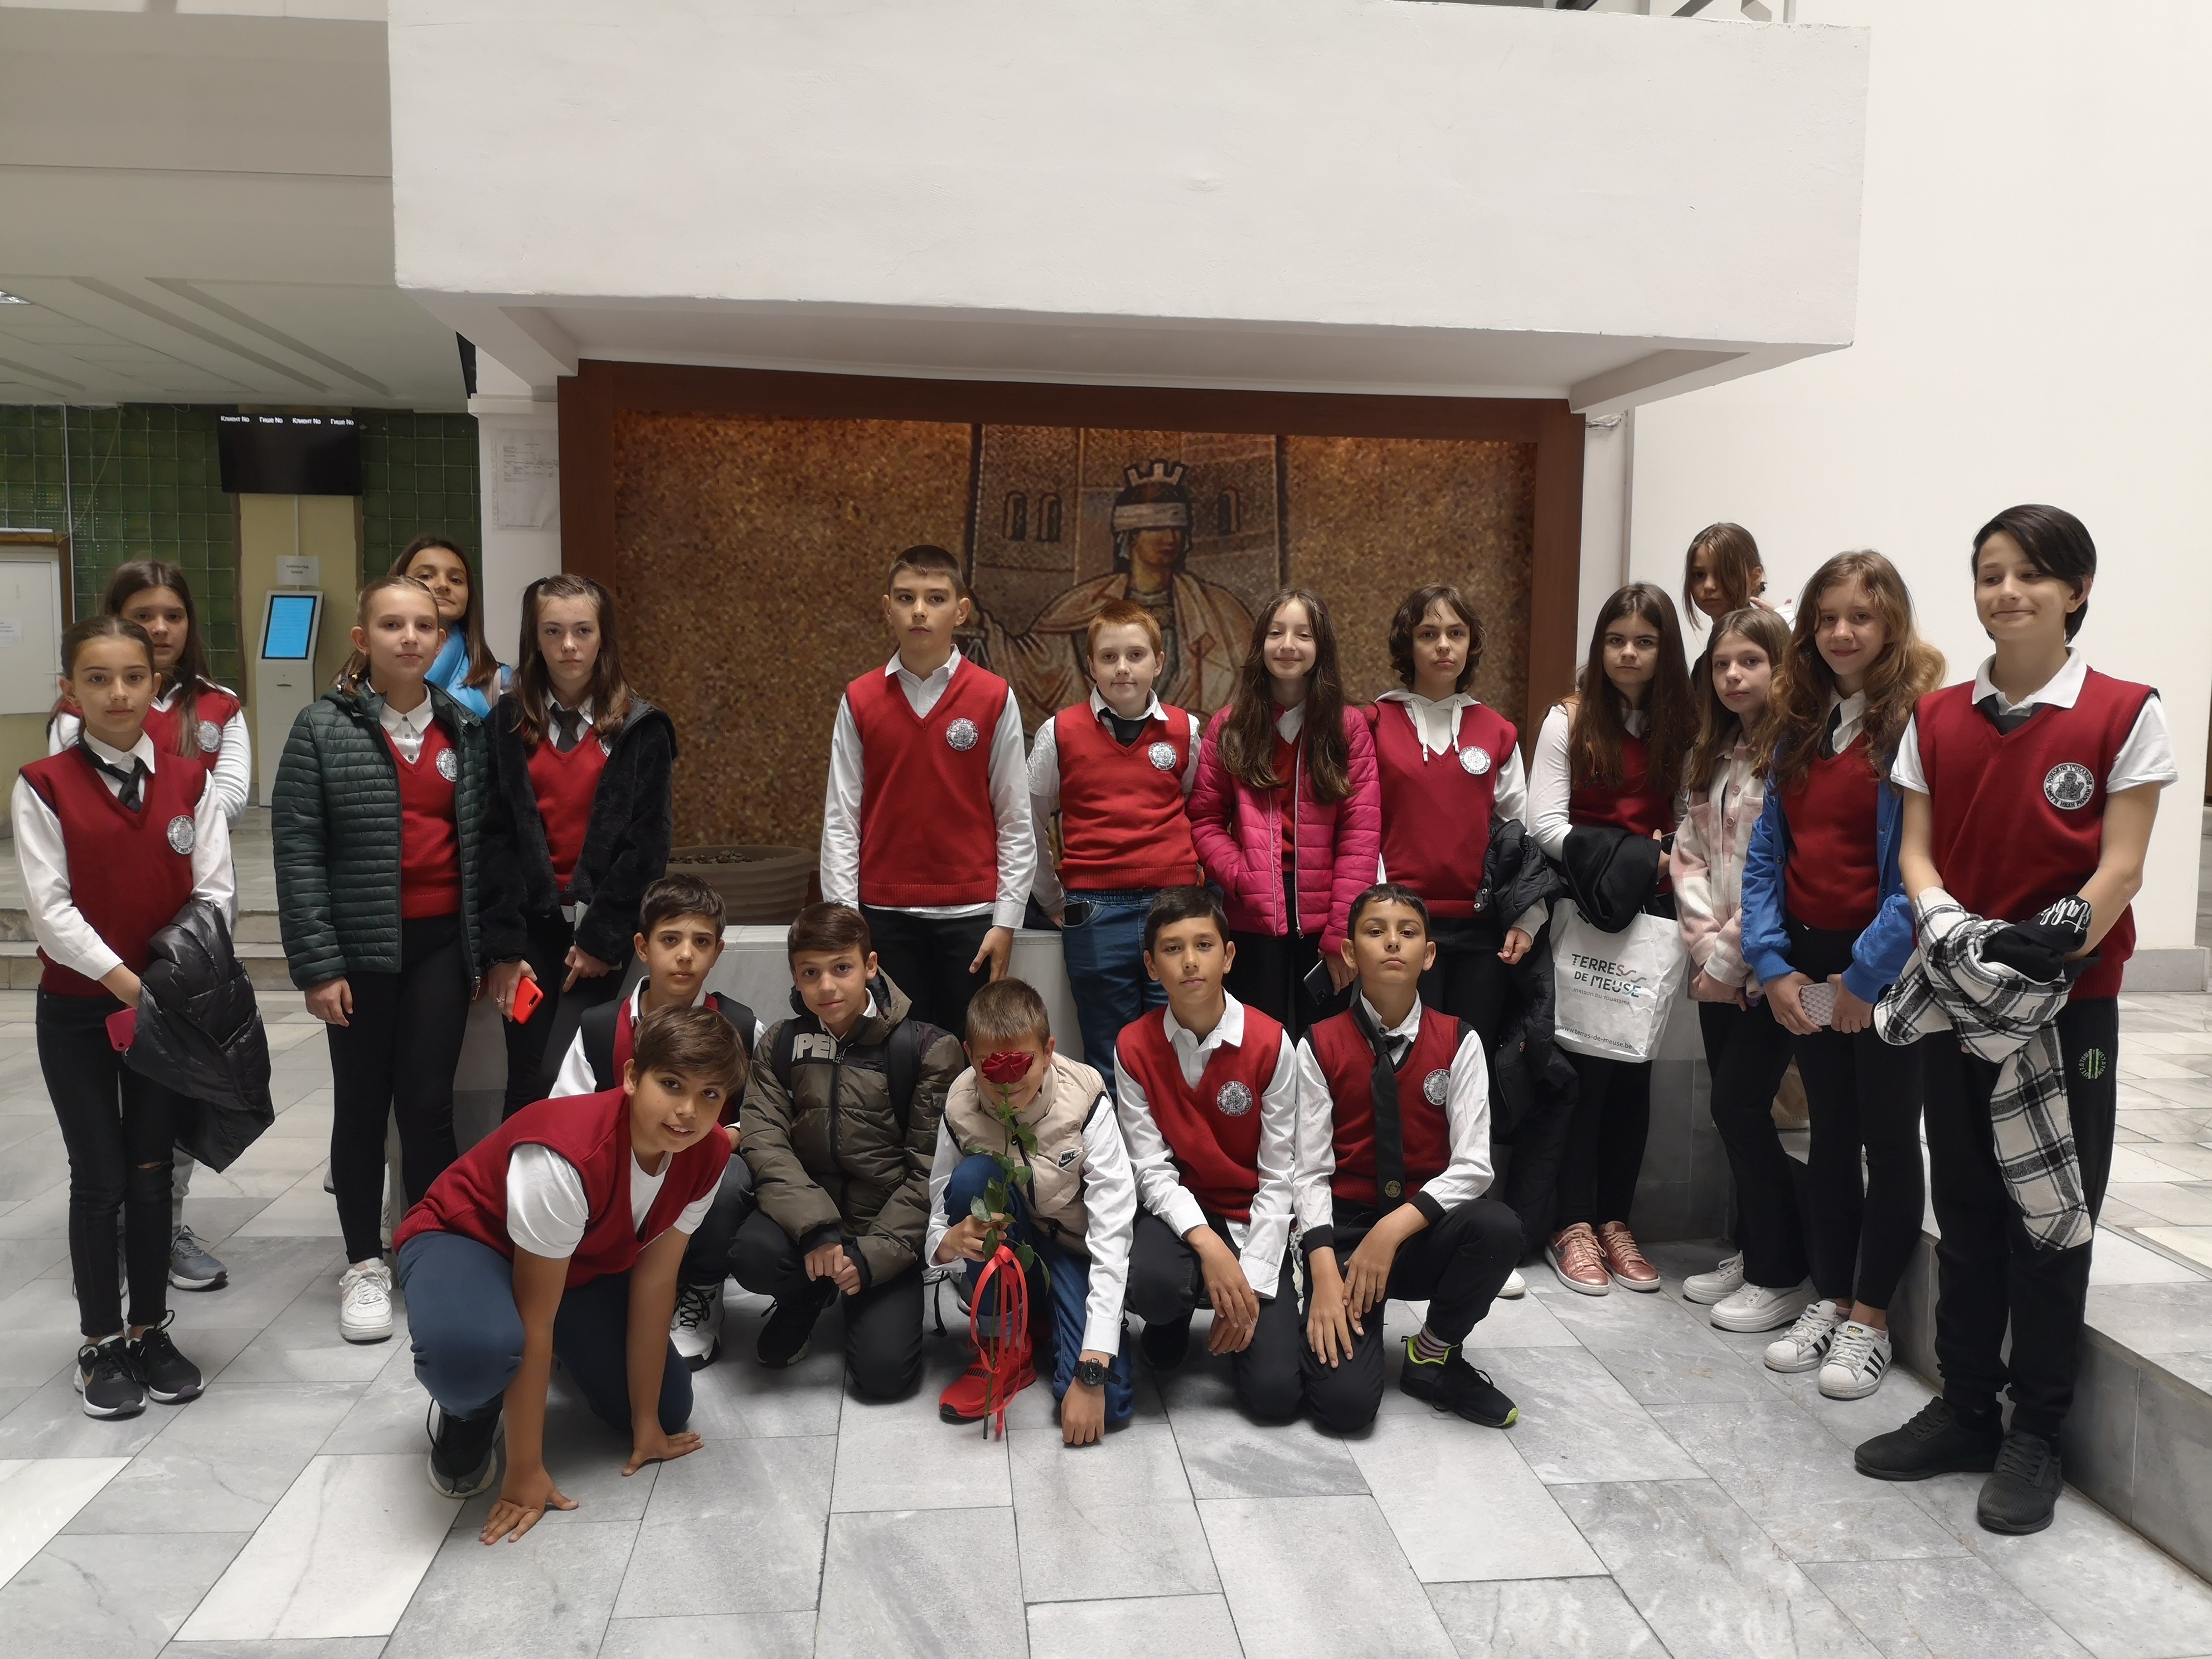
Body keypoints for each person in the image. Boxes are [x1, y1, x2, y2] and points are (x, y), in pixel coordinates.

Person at [1856, 505, 2173, 1536]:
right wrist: (1950, 928)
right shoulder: (1937, 717)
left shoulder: (2124, 712)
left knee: (2051, 1215)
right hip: (1958, 997)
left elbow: (2122, 864)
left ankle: (2036, 1430)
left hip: (2066, 1004)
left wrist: (2064, 929)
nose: (2007, 591)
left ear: (2077, 589)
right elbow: (1916, 852)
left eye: (2031, 574)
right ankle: (1962, 1408)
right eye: (1990, 573)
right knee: (1966, 1204)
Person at [394, 1005, 740, 1528]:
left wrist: (647, 1422)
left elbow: (656, 1281)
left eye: (710, 1094)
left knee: (669, 1408)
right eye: (671, 1084)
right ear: (631, 1077)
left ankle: (558, 1362)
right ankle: (472, 1413)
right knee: (472, 1358)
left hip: (574, 1263)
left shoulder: (708, 1154)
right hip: (469, 1240)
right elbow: (537, 1316)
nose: (688, 1110)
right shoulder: (567, 1153)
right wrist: (525, 1471)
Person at [273, 574, 502, 1345]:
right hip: (360, 951)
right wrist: (318, 965)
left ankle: (430, 1248)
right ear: (362, 639)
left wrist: (482, 951)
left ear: (443, 639)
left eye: (424, 626)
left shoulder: (464, 729)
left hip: (441, 947)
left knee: (429, 1106)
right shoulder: (321, 728)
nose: (410, 638)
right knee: (363, 1107)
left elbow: (482, 848)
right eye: (392, 625)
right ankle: (363, 1262)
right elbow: (298, 851)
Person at [18, 615, 231, 1419]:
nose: (117, 693)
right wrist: (129, 984)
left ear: (156, 686)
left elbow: (214, 893)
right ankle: (101, 1342)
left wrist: (168, 985)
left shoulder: (190, 782)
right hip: (80, 1012)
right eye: (98, 679)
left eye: (133, 677)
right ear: (69, 691)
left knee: (150, 1172)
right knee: (99, 1176)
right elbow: (51, 914)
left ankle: (149, 1330)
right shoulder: (43, 785)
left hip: (161, 1014)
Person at [1742, 553, 1942, 1402]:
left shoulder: (1917, 728)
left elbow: (1920, 871)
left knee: (1888, 1140)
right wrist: (1772, 964)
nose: (1840, 632)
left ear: (1890, 622)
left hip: (1885, 970)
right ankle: (1828, 1297)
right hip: (1808, 964)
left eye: (1859, 615)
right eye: (1825, 617)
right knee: (1828, 1133)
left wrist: (1865, 978)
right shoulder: (1800, 723)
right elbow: (1765, 855)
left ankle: (1870, 1319)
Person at [50, 560, 248, 1296]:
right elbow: (81, 809)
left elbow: (229, 795)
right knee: (106, 1134)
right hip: (98, 958)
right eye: (145, 614)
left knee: (172, 1111)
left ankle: (167, 1228)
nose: (162, 627)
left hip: (183, 945)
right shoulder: (77, 716)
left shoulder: (219, 705)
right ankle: (112, 1242)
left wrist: (175, 803)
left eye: (174, 614)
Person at [1296, 884, 1523, 1433]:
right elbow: (1307, 1172)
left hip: (1422, 1230)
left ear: (1429, 954)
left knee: (1498, 1226)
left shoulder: (1459, 1041)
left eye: (1408, 932)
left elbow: (1473, 1166)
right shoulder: (1318, 1045)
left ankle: (1431, 1355)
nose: (1392, 942)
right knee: (1344, 1408)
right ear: (1350, 953)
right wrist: (1321, 1269)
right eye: (1375, 932)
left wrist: (1393, 1229)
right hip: (1347, 1234)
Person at [1526, 584, 1696, 1296]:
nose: (1628, 653)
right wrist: (1639, 855)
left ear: (1665, 650)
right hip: (1581, 908)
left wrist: (1664, 857)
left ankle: (1614, 1220)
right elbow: (1543, 824)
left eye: (1644, 642)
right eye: (1615, 640)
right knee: (1578, 1074)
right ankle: (1569, 1224)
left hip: (1650, 917)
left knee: (1632, 1072)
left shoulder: (1682, 726)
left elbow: (1689, 818)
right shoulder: (1566, 720)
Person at [733, 903, 961, 1398]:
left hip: (885, 1227)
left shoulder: (927, 1049)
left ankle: (862, 1284)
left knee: (884, 1377)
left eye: (842, 968)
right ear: (795, 977)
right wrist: (815, 1230)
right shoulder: (781, 1043)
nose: (826, 987)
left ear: (870, 966)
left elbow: (930, 1173)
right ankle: (807, 1293)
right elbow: (765, 1140)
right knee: (753, 1254)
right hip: (808, 1222)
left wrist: (870, 1257)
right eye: (810, 973)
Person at [547, 875, 762, 1371]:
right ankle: (599, 1287)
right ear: (643, 947)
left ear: (717, 952)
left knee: (728, 1177)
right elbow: (565, 1114)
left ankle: (702, 1290)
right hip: (619, 1174)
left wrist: (724, 1138)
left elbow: (769, 1111)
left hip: (704, 1169)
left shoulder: (741, 1024)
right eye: (670, 940)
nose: (685, 955)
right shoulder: (601, 1027)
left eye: (701, 943)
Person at [820, 544, 1035, 1038]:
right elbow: (841, 818)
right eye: (906, 597)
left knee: (968, 1053)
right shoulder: (860, 699)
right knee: (892, 1054)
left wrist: (1006, 921)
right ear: (887, 608)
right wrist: (848, 923)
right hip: (882, 916)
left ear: (961, 610)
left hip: (973, 915)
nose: (919, 610)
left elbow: (1015, 818)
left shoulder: (994, 696)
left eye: (936, 598)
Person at [483, 574, 677, 1112]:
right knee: (526, 1080)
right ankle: (519, 1172)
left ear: (603, 636)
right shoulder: (505, 723)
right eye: (553, 631)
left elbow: (648, 846)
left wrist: (601, 942)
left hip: (603, 931)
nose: (568, 645)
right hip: (530, 928)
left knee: (572, 1075)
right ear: (535, 638)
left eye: (583, 631)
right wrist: (504, 950)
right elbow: (493, 840)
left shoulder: (640, 727)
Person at [1115, 885, 1303, 1419]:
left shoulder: (1272, 1043)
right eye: (1172, 949)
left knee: (1275, 1397)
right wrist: (1210, 1249)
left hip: (1253, 1214)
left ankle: (1243, 1309)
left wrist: (1251, 1284)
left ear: (1229, 955)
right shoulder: (1133, 1046)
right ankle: (1170, 1318)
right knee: (1154, 1287)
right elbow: (1150, 1170)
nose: (1190, 961)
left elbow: (1281, 1175)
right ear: (1151, 966)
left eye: (1204, 945)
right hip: (1179, 1211)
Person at [1671, 607, 1808, 1332]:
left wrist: (1728, 958)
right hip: (1716, 970)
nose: (1732, 675)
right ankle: (1755, 1250)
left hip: (1768, 967)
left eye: (1749, 661)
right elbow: (1688, 855)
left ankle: (1782, 1272)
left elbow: (1776, 873)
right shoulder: (1714, 753)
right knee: (1732, 1113)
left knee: (1739, 1107)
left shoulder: (1793, 756)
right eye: (1722, 664)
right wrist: (1705, 950)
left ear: (1781, 667)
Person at [926, 978, 1138, 1443]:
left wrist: (1094, 1361)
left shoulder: (1084, 1096)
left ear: (1048, 1051)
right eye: (991, 1066)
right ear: (969, 1055)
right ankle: (1003, 1346)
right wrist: (946, 1244)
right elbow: (941, 1205)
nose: (1006, 1082)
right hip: (1011, 1241)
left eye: (1020, 1063)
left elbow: (1114, 1225)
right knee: (973, 1179)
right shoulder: (960, 1104)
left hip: (1076, 1249)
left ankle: (1043, 1319)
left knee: (1108, 1400)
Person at [1189, 587, 1381, 1036]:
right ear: (1260, 644)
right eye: (1276, 633)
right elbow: (1205, 819)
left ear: (1321, 647)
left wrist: (1342, 930)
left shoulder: (1347, 726)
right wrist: (1240, 875)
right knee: (1258, 1044)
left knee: (1325, 1047)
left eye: (1303, 635)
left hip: (1327, 912)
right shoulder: (1231, 726)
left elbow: (1360, 835)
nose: (1288, 645)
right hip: (1252, 913)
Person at [1027, 597, 1202, 1090]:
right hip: (1095, 911)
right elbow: (1029, 819)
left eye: (1135, 655)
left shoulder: (1186, 730)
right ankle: (1116, 1144)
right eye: (1109, 657)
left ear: (1159, 662)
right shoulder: (1059, 732)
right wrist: (1051, 900)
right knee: (1111, 1051)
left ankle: (1173, 1143)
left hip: (1173, 908)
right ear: (1090, 665)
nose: (1122, 668)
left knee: (1179, 1045)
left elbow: (1198, 808)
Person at [1366, 584, 1542, 1040]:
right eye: (1428, 634)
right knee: (1405, 1055)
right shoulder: (1373, 723)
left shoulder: (1497, 731)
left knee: (1471, 1053)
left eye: (1456, 633)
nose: (1443, 645)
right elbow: (1360, 827)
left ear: (1471, 644)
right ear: (1408, 645)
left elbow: (1518, 833)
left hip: (1480, 928)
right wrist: (1379, 910)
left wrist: (1527, 916)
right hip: (1400, 923)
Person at [964, 459, 1257, 731]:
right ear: (1131, 535)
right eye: (1157, 527)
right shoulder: (1086, 604)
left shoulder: (1218, 609)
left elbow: (1247, 674)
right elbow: (1036, 667)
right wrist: (986, 630)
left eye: (1177, 527)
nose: (1171, 538)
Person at [393, 534, 509, 717]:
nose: (443, 585)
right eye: (426, 576)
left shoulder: (500, 683)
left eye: (456, 580)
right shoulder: (358, 679)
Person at [1682, 522, 1789, 635]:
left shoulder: (1771, 639)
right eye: (1699, 575)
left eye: (1724, 573)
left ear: (1755, 577)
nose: (1709, 586)